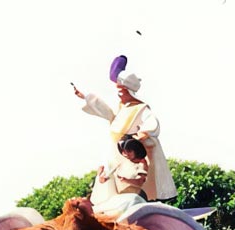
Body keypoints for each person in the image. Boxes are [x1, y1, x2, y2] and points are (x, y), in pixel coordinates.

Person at [74, 55, 175, 202]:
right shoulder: (121, 109)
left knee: (136, 190)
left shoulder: (140, 108)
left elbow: (152, 122)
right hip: (119, 152)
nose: (119, 94)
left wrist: (144, 133)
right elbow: (107, 112)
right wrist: (85, 97)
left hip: (134, 152)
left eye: (122, 91)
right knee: (109, 187)